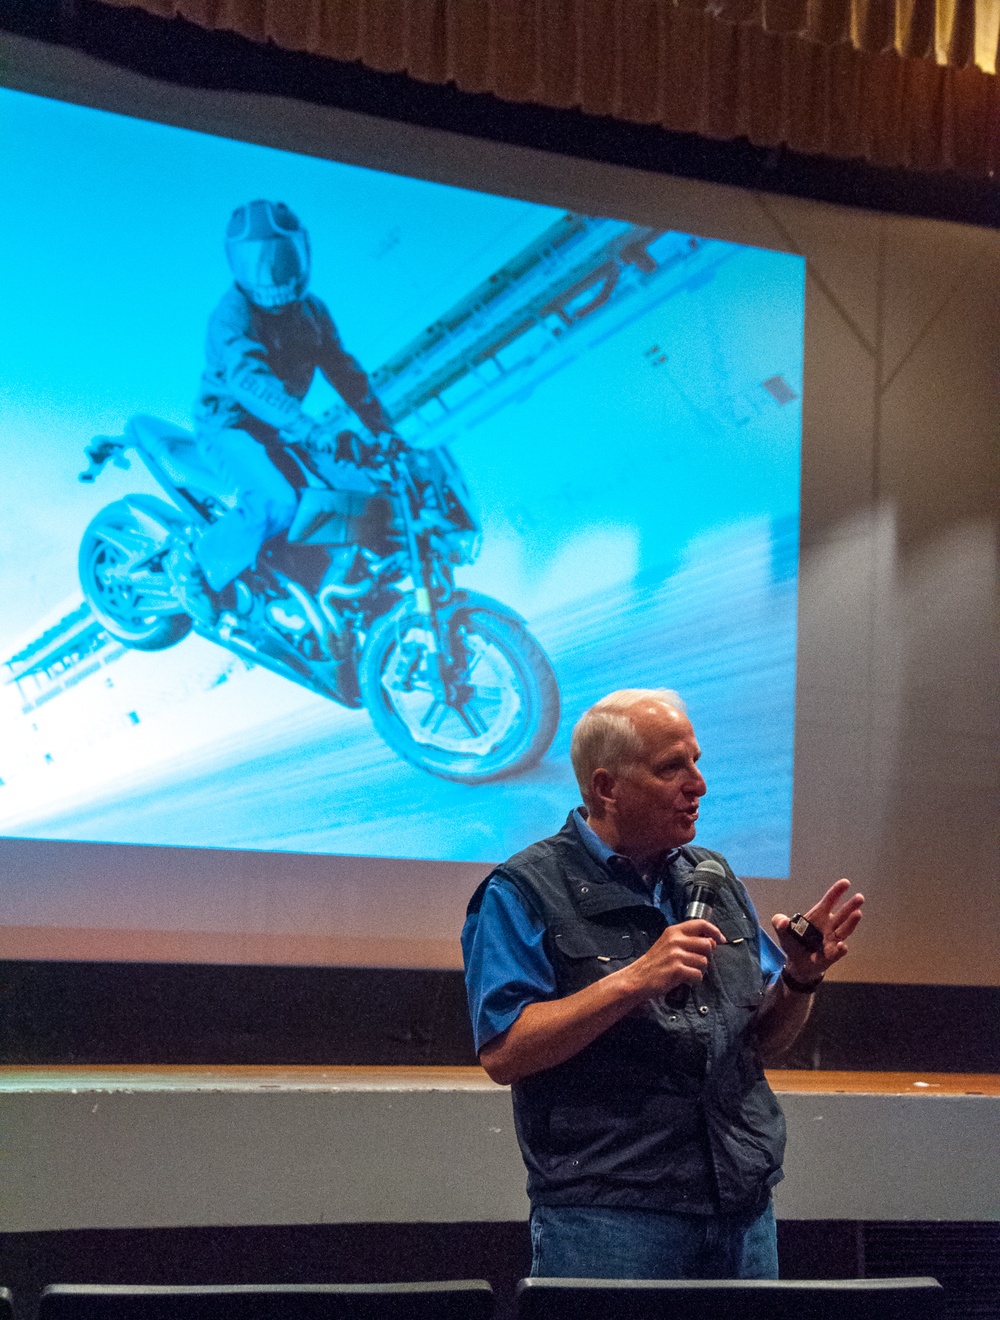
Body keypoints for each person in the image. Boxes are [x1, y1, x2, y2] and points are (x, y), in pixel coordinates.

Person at [462, 688, 863, 1280]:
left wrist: (801, 980)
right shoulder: (523, 890)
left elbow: (759, 1043)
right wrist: (631, 982)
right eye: (672, 767)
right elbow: (505, 1051)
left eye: (697, 763)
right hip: (611, 1218)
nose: (698, 784)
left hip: (742, 1208)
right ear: (606, 788)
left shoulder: (713, 878)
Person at [168, 198, 395, 621]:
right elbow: (249, 381)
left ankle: (328, 582)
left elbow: (346, 373)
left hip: (279, 428)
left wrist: (386, 432)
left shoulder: (313, 312)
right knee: (276, 502)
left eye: (280, 258)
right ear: (235, 263)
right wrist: (307, 427)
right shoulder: (230, 317)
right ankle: (193, 566)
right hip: (229, 428)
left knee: (355, 494)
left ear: (302, 252)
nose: (270, 274)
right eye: (255, 261)